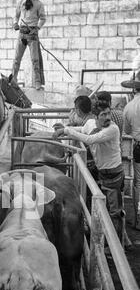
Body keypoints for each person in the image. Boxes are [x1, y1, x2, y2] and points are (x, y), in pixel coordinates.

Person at [53, 101, 125, 241]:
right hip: (105, 173)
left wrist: (66, 130)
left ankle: (116, 246)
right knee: (107, 209)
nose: (108, 117)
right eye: (103, 114)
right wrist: (65, 128)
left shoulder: (112, 129)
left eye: (109, 113)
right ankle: (111, 242)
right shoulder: (91, 124)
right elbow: (82, 129)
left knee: (114, 212)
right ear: (96, 117)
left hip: (113, 174)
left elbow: (90, 139)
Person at [12, 0, 47, 91]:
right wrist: (15, 24)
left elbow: (43, 18)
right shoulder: (20, 2)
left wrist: (37, 27)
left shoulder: (39, 4)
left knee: (35, 60)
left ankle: (37, 82)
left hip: (32, 34)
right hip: (22, 33)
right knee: (17, 59)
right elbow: (16, 16)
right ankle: (14, 79)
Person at [122, 72, 140, 230]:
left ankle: (138, 219)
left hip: (139, 145)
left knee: (138, 183)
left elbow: (127, 130)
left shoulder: (129, 107)